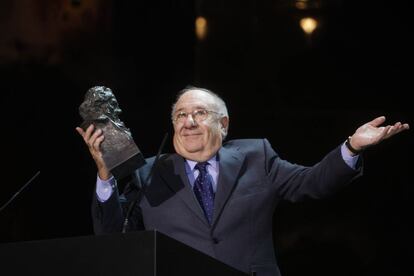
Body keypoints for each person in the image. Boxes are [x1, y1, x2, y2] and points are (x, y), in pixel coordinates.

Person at [76, 87, 409, 276]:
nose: (189, 122)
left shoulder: (256, 157)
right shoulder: (149, 171)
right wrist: (106, 177)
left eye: (200, 113)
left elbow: (314, 182)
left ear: (224, 124)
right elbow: (112, 237)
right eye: (181, 115)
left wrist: (351, 147)